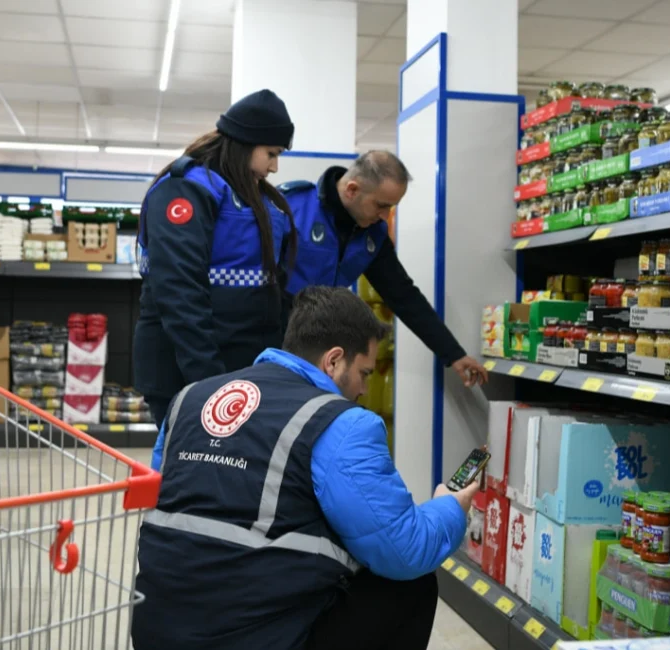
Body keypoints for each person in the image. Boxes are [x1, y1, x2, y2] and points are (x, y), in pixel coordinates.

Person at [132, 286, 480, 650]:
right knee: (409, 582)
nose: (363, 389)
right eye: (363, 373)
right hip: (250, 639)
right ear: (333, 361)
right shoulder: (341, 423)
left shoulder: (189, 399)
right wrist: (450, 506)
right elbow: (405, 550)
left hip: (155, 631)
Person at [133, 89, 298, 426]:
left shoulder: (255, 199)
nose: (275, 166)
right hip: (189, 373)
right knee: (189, 473)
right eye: (271, 153)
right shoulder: (187, 189)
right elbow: (179, 291)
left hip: (238, 372)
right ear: (247, 142)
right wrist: (209, 381)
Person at [279, 151, 489, 388]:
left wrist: (453, 354)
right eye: (381, 206)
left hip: (321, 349)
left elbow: (404, 296)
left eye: (391, 208)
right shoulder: (291, 208)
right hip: (274, 340)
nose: (385, 216)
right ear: (352, 190)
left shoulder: (373, 234)